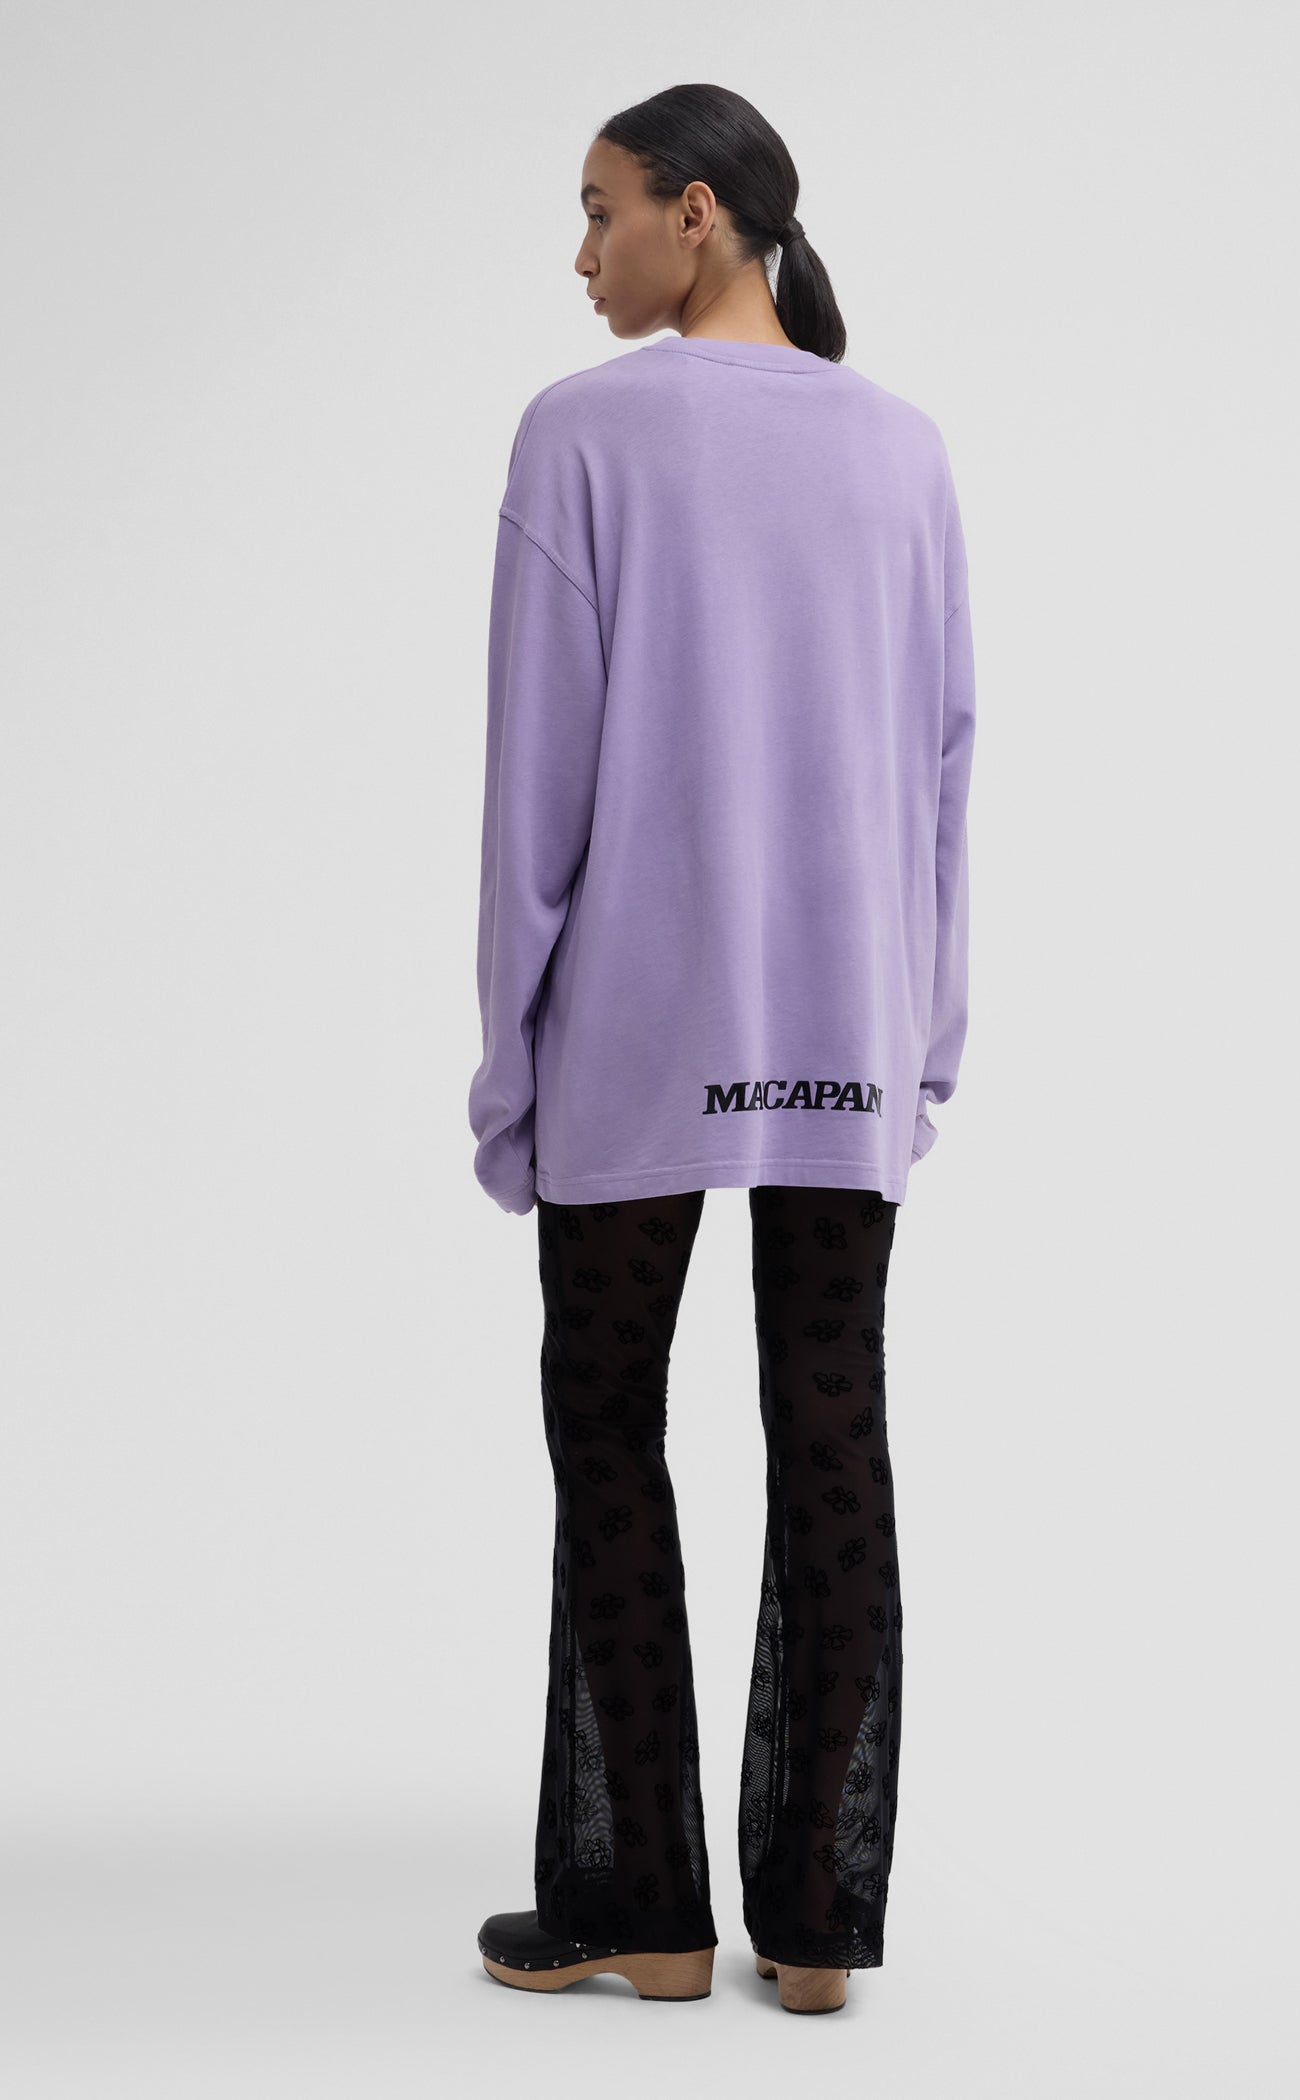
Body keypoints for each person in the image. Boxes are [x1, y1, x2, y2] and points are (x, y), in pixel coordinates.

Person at [470, 81, 977, 2015]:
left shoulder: (583, 433)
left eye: (601, 209)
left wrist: (509, 1061)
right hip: (846, 1034)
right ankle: (819, 1927)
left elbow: (537, 786)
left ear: (698, 214)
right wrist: (922, 1038)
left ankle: (644, 1904)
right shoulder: (904, 449)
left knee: (609, 1426)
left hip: (634, 1029)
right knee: (832, 1429)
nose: (581, 251)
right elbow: (942, 770)